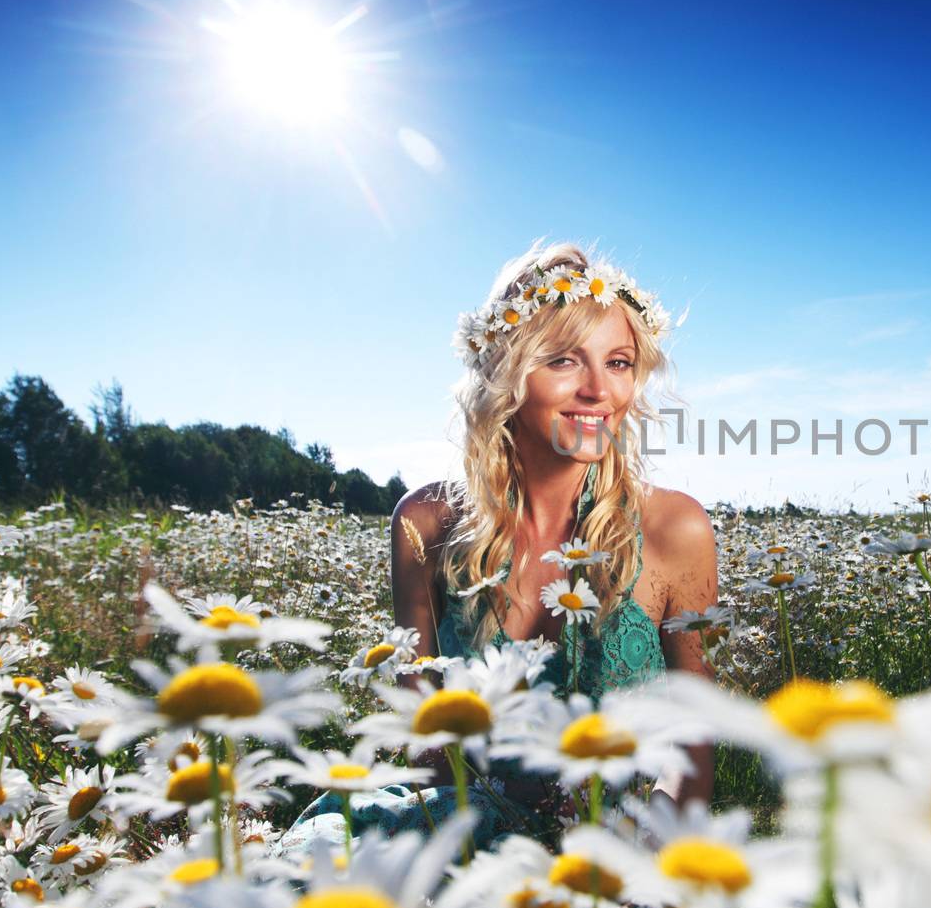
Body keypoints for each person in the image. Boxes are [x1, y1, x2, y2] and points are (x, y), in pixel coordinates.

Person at [279, 240, 717, 855]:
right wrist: (492, 836)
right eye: (564, 360)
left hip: (621, 856)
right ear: (505, 371)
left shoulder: (676, 527)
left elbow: (694, 738)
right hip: (462, 835)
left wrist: (651, 844)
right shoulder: (426, 525)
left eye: (618, 362)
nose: (599, 390)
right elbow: (425, 736)